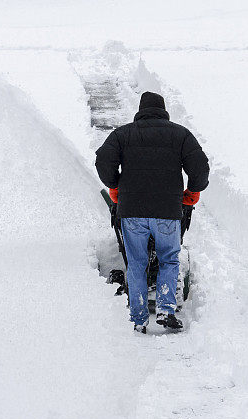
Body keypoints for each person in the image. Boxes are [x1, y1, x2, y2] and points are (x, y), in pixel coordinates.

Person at [95, 91, 209, 333]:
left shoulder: (123, 134)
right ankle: (166, 310)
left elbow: (103, 161)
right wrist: (192, 191)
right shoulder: (181, 135)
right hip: (168, 211)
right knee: (168, 258)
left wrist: (115, 185)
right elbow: (200, 167)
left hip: (132, 211)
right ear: (163, 110)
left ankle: (138, 318)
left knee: (136, 262)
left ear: (141, 110)